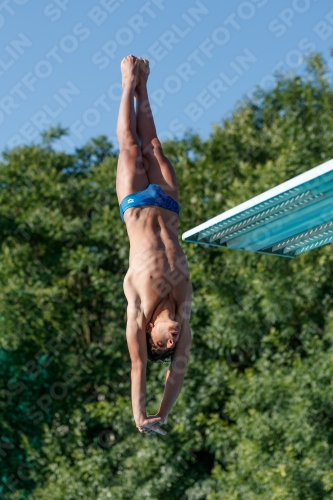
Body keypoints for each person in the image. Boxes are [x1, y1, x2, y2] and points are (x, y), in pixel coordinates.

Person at [116, 55, 193, 436]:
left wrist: (143, 415)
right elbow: (178, 369)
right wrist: (167, 411)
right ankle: (145, 83)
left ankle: (127, 82)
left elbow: (139, 367)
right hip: (167, 202)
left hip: (133, 204)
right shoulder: (184, 306)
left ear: (152, 337)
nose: (173, 340)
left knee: (130, 146)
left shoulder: (138, 309)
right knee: (154, 145)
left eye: (164, 343)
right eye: (172, 344)